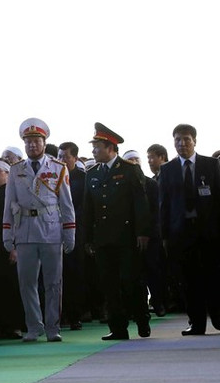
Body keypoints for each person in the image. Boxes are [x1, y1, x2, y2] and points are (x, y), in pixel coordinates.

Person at [2, 119, 75, 343]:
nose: (32, 145)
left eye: (36, 141)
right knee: (27, 283)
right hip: (24, 231)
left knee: (54, 282)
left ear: (44, 143)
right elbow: (8, 203)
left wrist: (69, 233)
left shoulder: (58, 168)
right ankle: (34, 326)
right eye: (28, 142)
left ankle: (53, 327)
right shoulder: (16, 170)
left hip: (51, 230)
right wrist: (7, 234)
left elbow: (67, 204)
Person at [82, 125, 151, 340]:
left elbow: (141, 204)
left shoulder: (130, 170)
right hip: (103, 239)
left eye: (98, 147)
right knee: (109, 284)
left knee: (131, 281)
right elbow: (88, 208)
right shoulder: (92, 174)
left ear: (111, 148)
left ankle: (141, 319)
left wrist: (142, 232)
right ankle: (118, 328)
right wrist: (88, 238)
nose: (94, 151)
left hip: (127, 237)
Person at [158, 123, 220, 335]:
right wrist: (165, 235)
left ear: (195, 141)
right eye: (177, 140)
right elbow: (164, 205)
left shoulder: (212, 165)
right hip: (181, 234)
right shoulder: (167, 170)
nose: (182, 144)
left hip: (210, 233)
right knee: (188, 280)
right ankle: (197, 323)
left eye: (186, 139)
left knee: (213, 276)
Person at [123, 149, 166, 316]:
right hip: (129, 237)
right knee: (134, 274)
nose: (134, 162)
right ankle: (138, 309)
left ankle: (158, 303)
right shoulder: (122, 185)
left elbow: (156, 212)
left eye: (136, 159)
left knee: (153, 270)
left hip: (151, 237)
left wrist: (148, 233)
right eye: (130, 160)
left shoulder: (151, 184)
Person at [0, 159, 24, 337]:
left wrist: (15, 247)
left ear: (8, 175)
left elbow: (18, 222)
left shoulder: (15, 193)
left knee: (11, 287)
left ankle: (14, 325)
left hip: (9, 245)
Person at [58, 141, 87, 330]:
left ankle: (76, 315)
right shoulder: (53, 176)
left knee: (75, 274)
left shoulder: (83, 179)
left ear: (75, 158)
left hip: (77, 232)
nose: (61, 160)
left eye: (65, 157)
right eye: (59, 156)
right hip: (53, 231)